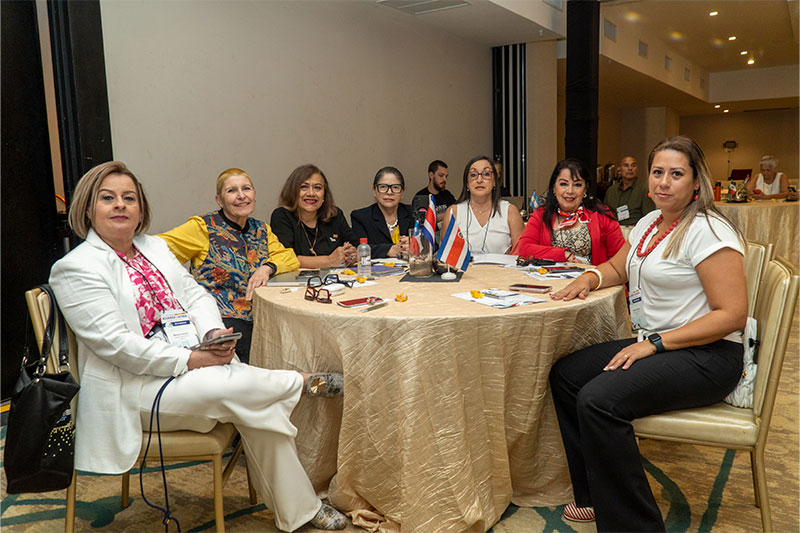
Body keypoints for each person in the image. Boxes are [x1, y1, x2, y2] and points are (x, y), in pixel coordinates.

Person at [49, 161, 347, 532]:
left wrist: (212, 334)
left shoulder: (152, 247)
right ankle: (298, 383)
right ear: (87, 208)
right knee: (241, 391)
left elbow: (195, 294)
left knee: (252, 402)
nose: (120, 205)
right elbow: (117, 347)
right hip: (134, 389)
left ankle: (301, 509)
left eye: (129, 198)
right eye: (108, 198)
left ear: (141, 208)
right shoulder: (76, 268)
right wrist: (194, 359)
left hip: (196, 367)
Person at [548, 136, 747, 531]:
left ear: (696, 182)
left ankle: (635, 526)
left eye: (676, 174)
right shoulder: (650, 223)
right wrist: (588, 277)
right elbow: (618, 268)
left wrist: (655, 344)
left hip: (708, 354)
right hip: (661, 345)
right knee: (566, 375)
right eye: (658, 172)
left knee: (598, 400)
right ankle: (592, 495)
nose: (663, 182)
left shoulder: (708, 230)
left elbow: (732, 315)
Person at [159, 168, 298, 364]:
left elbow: (289, 257)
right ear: (219, 200)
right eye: (232, 191)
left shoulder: (261, 229)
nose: (241, 196)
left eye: (246, 188)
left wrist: (267, 267)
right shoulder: (203, 227)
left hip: (262, 318)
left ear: (254, 194)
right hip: (221, 321)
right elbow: (157, 248)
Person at [515, 158, 624, 264]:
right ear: (554, 188)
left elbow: (621, 258)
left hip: (592, 276)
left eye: (577, 185)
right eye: (563, 184)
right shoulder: (540, 215)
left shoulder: (602, 215)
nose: (570, 191)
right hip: (550, 276)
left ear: (585, 190)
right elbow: (524, 248)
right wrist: (562, 255)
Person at [270, 164, 358, 268]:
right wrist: (329, 260)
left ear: (324, 194)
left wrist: (351, 254)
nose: (311, 193)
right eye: (304, 187)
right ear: (293, 192)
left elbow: (355, 245)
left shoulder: (335, 214)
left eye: (317, 188)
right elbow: (285, 258)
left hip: (337, 277)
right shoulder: (281, 216)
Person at [444, 155, 524, 254]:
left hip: (502, 265)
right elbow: (445, 255)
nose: (479, 180)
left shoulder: (510, 211)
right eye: (473, 175)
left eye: (486, 174)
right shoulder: (453, 212)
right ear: (467, 183)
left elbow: (521, 255)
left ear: (494, 182)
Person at [350, 166, 412, 259]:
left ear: (402, 193)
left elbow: (430, 244)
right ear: (374, 191)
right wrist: (389, 250)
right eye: (383, 187)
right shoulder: (360, 217)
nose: (389, 192)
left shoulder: (413, 213)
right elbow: (357, 249)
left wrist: (415, 245)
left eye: (395, 187)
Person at [603, 155, 655, 226]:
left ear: (637, 169)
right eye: (626, 165)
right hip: (613, 228)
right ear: (619, 170)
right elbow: (605, 216)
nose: (630, 168)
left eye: (633, 165)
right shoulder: (611, 191)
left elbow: (649, 218)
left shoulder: (644, 190)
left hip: (634, 229)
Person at [415, 160, 456, 224]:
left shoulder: (447, 194)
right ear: (431, 175)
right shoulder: (421, 197)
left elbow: (457, 211)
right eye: (441, 175)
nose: (445, 179)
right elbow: (422, 220)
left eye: (446, 176)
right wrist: (447, 214)